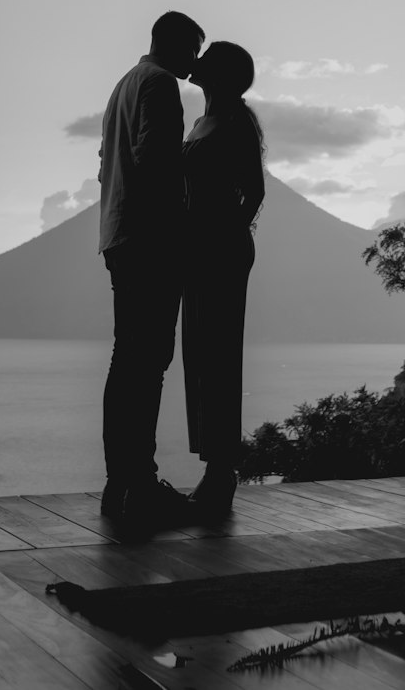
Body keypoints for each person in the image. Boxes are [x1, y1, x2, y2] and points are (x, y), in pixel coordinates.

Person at [97, 10, 205, 529]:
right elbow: (156, 162)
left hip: (117, 234)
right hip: (149, 241)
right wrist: (181, 229)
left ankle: (120, 481)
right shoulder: (161, 85)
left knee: (127, 360)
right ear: (176, 45)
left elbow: (107, 162)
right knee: (149, 363)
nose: (196, 61)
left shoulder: (124, 84)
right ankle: (139, 484)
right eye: (193, 50)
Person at [181, 41, 265, 520]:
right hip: (196, 252)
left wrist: (226, 236)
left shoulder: (234, 122)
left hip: (222, 253)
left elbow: (252, 190)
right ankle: (213, 466)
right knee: (200, 354)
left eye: (205, 58)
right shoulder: (201, 122)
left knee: (219, 355)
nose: (196, 64)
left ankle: (221, 475)